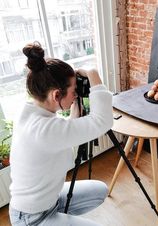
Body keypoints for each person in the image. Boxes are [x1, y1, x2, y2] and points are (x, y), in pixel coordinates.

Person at [9, 42, 113, 226]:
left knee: (100, 190)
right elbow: (102, 122)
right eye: (74, 91)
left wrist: (75, 107)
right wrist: (92, 72)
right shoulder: (43, 131)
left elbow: (59, 133)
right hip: (32, 218)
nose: (76, 95)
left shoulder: (30, 111)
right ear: (56, 95)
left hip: (49, 200)